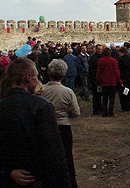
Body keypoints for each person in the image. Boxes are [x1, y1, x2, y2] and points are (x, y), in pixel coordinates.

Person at [0, 58, 72, 187]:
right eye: (37, 76)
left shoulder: (3, 105)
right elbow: (53, 151)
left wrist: (7, 172)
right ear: (28, 77)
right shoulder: (40, 106)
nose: (38, 80)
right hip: (37, 177)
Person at [42, 59, 80, 188]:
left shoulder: (42, 91)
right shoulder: (67, 92)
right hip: (63, 126)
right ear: (63, 75)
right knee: (67, 155)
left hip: (46, 127)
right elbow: (75, 112)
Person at [96, 48, 123, 117]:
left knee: (104, 98)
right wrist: (119, 82)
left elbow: (98, 72)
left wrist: (98, 80)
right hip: (112, 81)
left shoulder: (100, 61)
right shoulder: (114, 61)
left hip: (104, 81)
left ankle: (104, 112)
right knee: (112, 98)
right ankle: (110, 112)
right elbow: (117, 72)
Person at [88, 44, 104, 115]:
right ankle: (96, 109)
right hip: (95, 79)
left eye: (101, 49)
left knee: (101, 95)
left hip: (101, 79)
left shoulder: (102, 57)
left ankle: (101, 108)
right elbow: (91, 69)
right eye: (99, 49)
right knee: (96, 96)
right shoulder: (93, 58)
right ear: (96, 49)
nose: (100, 50)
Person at [117, 47, 130, 111]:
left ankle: (124, 106)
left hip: (123, 78)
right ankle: (128, 106)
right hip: (128, 78)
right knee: (127, 93)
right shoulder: (128, 58)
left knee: (122, 94)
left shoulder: (121, 60)